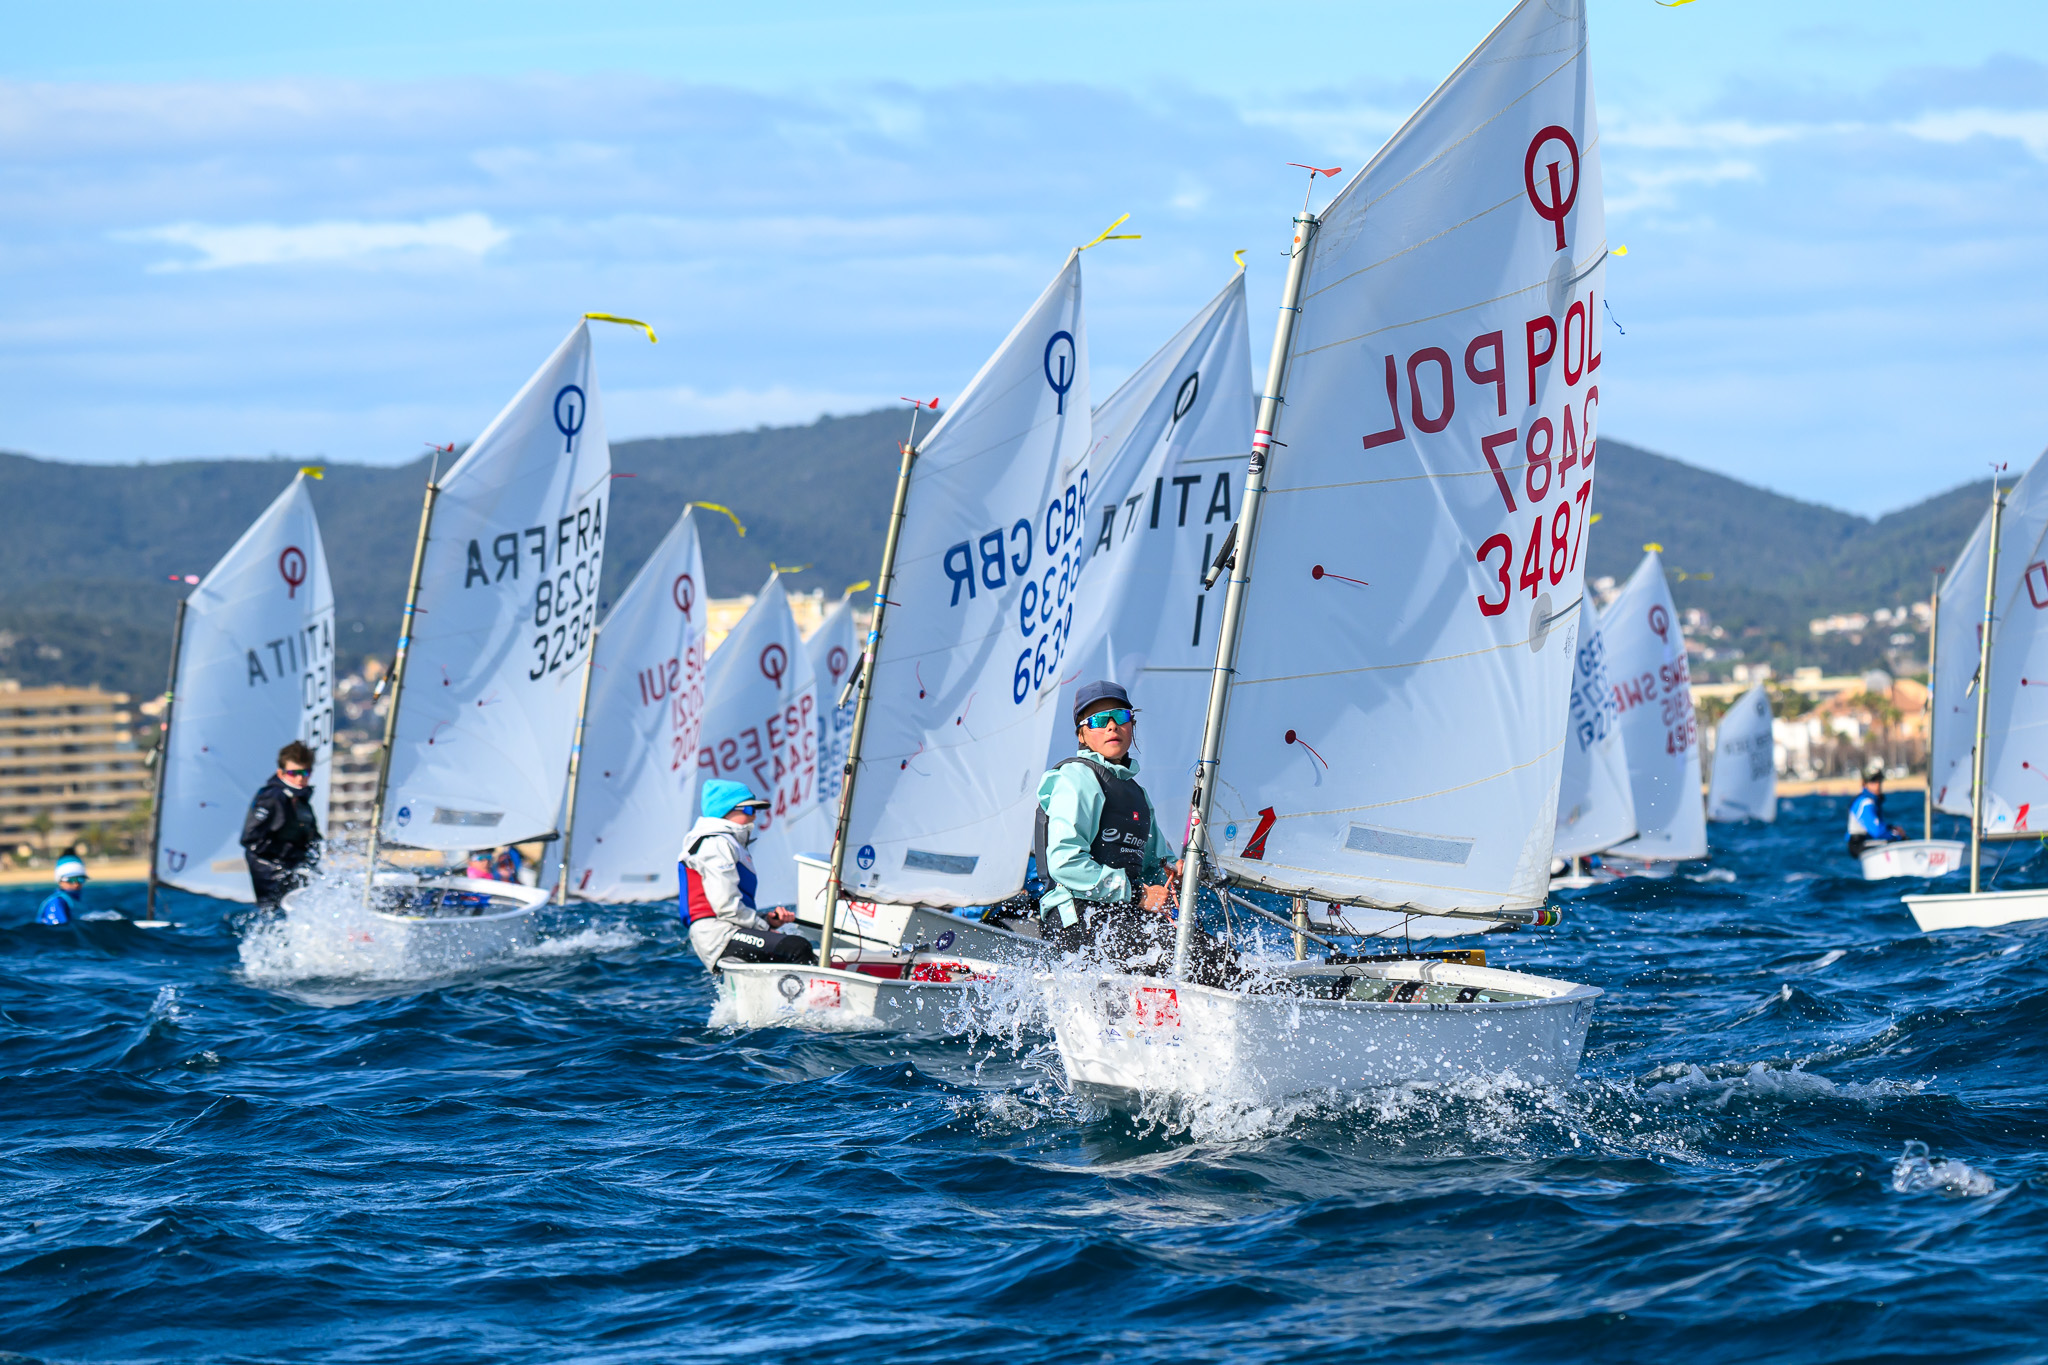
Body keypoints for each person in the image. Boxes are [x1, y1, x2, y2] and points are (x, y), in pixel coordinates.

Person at [1034, 681, 1186, 968]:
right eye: (1100, 720)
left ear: (1132, 724)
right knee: (1188, 955)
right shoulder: (1077, 778)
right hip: (1078, 919)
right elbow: (1064, 863)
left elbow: (1153, 864)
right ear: (1082, 733)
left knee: (1205, 951)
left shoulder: (1137, 794)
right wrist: (1140, 894)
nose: (1112, 726)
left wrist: (1173, 870)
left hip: (1123, 916)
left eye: (1121, 717)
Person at [680, 778, 816, 971]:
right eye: (749, 810)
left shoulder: (725, 842)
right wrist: (763, 925)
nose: (754, 817)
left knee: (791, 948)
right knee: (796, 947)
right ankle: (815, 1000)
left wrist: (766, 920)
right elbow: (726, 906)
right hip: (719, 935)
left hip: (728, 930)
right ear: (725, 811)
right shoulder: (716, 843)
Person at [241, 740, 322, 911]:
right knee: (275, 914)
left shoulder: (302, 801)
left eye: (305, 772)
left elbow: (313, 839)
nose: (300, 778)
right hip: (273, 877)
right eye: (294, 772)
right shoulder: (271, 797)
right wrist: (280, 870)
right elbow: (250, 839)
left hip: (298, 871)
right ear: (281, 773)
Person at [1847, 762, 1906, 858]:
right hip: (1858, 844)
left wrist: (1892, 829)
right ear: (1864, 783)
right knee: (1897, 841)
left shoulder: (1873, 801)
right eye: (1873, 780)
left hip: (1867, 841)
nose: (1877, 784)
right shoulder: (1865, 802)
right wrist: (1897, 836)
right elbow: (1877, 831)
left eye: (1879, 780)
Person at [37, 855, 89, 925]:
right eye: (71, 880)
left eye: (80, 879)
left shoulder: (73, 901)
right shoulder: (56, 902)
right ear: (60, 880)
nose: (76, 884)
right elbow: (59, 931)